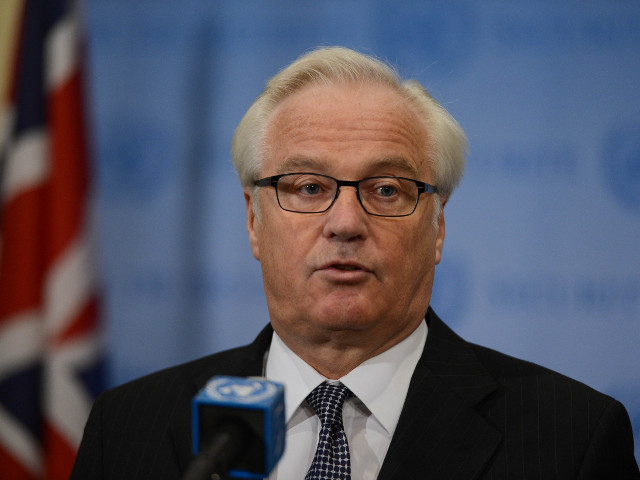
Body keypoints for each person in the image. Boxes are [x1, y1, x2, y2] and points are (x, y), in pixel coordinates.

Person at [70, 47, 639, 479]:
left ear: (437, 227)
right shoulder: (129, 427)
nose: (345, 223)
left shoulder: (572, 438)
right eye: (308, 187)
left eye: (386, 190)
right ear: (253, 221)